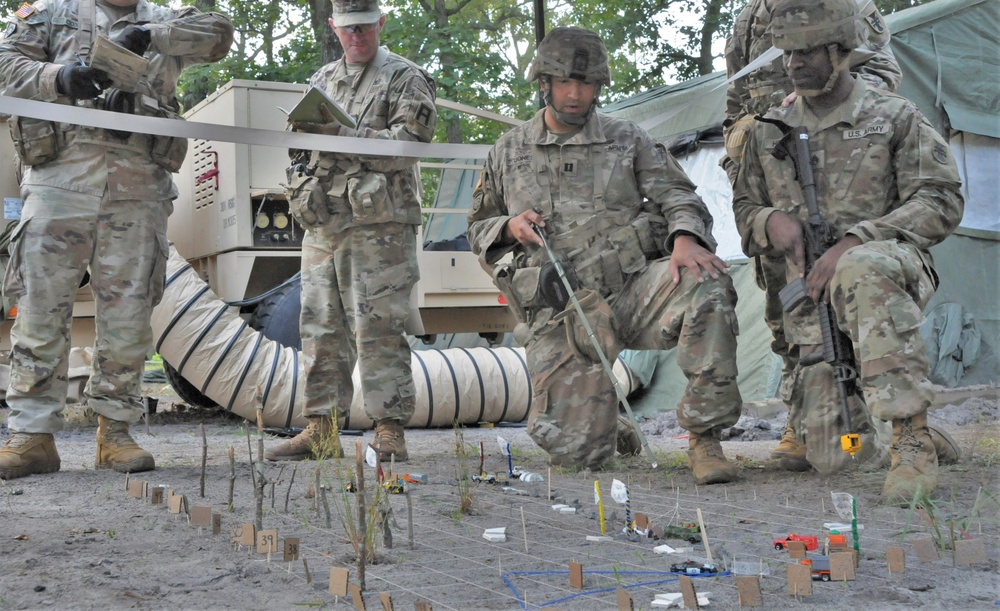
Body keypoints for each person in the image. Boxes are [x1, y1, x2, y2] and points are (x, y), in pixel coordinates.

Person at [467, 27, 744, 485]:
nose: (576, 95)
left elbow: (680, 196)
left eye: (587, 84)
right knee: (576, 456)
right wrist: (508, 226)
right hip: (564, 310)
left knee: (707, 284)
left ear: (599, 87)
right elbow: (476, 228)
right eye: (565, 83)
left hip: (635, 292)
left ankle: (705, 437)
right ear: (544, 83)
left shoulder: (628, 139)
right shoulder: (508, 151)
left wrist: (685, 239)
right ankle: (606, 424)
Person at [731, 0, 963, 500]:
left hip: (887, 267)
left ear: (840, 51)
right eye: (786, 53)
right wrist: (770, 221)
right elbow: (745, 207)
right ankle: (878, 431)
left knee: (858, 267)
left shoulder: (894, 116)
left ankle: (911, 436)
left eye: (807, 52)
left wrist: (860, 237)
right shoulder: (770, 130)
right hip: (812, 295)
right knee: (838, 457)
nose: (793, 64)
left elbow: (941, 199)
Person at [0, 0, 233, 479]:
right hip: (60, 179)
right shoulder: (49, 13)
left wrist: (149, 33)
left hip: (139, 186)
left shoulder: (168, 15)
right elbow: (5, 64)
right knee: (41, 305)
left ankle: (115, 432)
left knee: (128, 312)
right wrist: (63, 78)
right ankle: (32, 435)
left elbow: (218, 36)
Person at [722, 0, 902, 470]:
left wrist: (819, 108)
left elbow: (881, 71)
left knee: (856, 312)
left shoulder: (849, 6)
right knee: (788, 313)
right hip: (776, 182)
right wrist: (741, 156)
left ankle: (901, 427)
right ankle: (800, 419)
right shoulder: (746, 21)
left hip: (843, 174)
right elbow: (735, 105)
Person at [265, 0, 436, 463]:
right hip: (325, 224)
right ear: (333, 27)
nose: (355, 36)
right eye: (347, 29)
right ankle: (321, 428)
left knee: (378, 326)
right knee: (320, 328)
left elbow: (408, 146)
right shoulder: (322, 81)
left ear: (381, 23)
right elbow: (302, 146)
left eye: (364, 27)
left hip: (379, 226)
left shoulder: (405, 77)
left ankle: (389, 428)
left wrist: (344, 136)